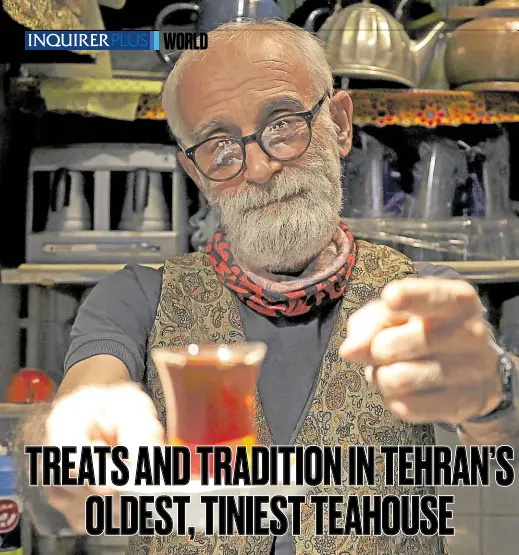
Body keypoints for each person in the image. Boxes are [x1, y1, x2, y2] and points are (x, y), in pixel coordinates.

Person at [16, 19, 519, 555]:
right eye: (219, 146)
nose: (257, 166)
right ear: (195, 171)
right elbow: (65, 443)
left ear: (340, 124)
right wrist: (63, 443)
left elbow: (499, 443)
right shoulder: (134, 300)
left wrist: (495, 395)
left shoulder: (420, 295)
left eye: (282, 124)